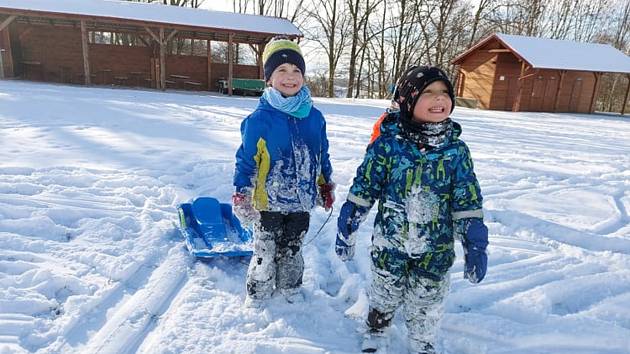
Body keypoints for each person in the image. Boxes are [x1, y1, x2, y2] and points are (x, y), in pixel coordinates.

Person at [335, 66, 488, 353]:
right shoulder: (387, 145)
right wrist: (349, 221)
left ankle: (422, 342)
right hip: (389, 243)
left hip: (436, 248)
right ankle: (377, 331)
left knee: (428, 299)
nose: (438, 98)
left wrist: (475, 243)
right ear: (407, 101)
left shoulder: (456, 151)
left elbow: (467, 200)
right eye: (428, 92)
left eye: (444, 92)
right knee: (384, 292)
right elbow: (365, 186)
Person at [232, 36, 334, 306]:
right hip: (268, 204)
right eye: (282, 71)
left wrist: (325, 185)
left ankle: (290, 288)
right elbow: (246, 160)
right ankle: (258, 293)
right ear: (269, 78)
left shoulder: (314, 117)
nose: (290, 77)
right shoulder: (259, 120)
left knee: (292, 249)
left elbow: (322, 154)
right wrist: (241, 192)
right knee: (265, 251)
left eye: (296, 71)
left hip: (301, 202)